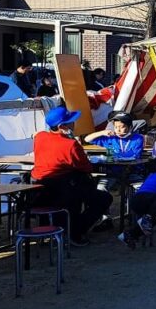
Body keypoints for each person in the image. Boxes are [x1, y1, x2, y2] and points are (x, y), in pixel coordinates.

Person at [31, 105, 113, 246]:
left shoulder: (39, 137)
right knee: (103, 198)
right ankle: (76, 232)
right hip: (63, 188)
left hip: (39, 187)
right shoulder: (70, 144)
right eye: (71, 121)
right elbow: (86, 167)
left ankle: (63, 229)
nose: (74, 123)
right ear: (63, 126)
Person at [118, 155, 156, 248]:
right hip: (145, 199)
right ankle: (147, 218)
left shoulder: (151, 175)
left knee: (153, 222)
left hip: (136, 200)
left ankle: (128, 235)